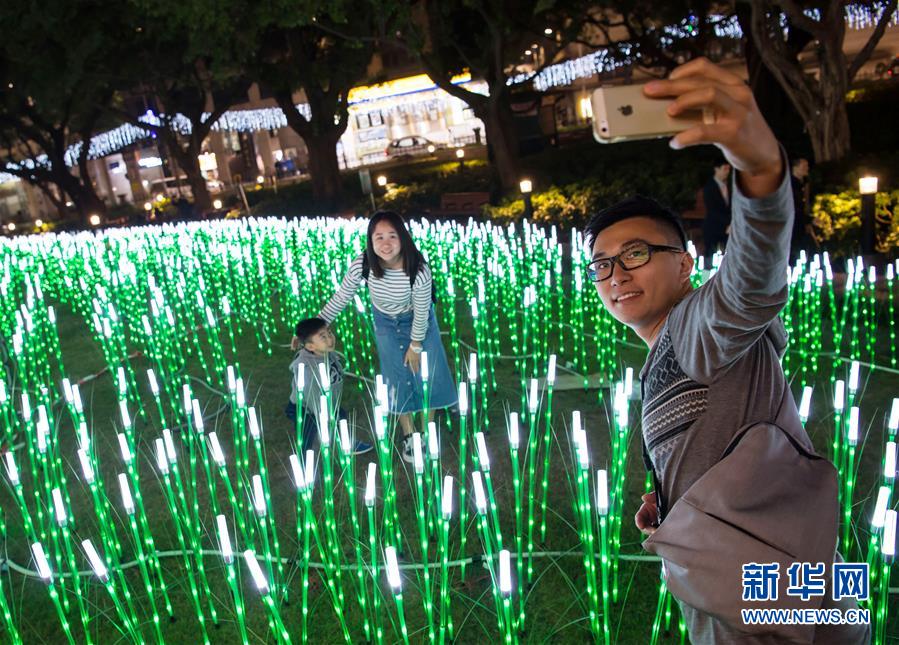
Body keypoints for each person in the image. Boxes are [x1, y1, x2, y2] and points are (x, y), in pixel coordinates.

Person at [584, 58, 868, 644]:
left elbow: (752, 277)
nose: (615, 274)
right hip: (788, 571)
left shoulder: (698, 324)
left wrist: (762, 172)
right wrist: (671, 492)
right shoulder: (670, 344)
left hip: (756, 581)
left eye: (635, 253)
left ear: (685, 264)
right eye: (603, 264)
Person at [318, 211, 457, 463]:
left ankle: (427, 430)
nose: (385, 243)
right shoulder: (364, 264)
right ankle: (409, 435)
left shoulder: (418, 269)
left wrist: (415, 345)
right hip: (385, 321)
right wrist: (316, 325)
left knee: (428, 371)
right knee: (397, 373)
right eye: (378, 237)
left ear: (403, 238)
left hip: (418, 318)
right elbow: (342, 296)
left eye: (392, 236)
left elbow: (423, 310)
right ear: (370, 241)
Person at [286, 317, 372, 455]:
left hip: (329, 402)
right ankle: (305, 465)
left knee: (341, 416)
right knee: (308, 435)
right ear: (310, 346)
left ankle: (347, 444)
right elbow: (311, 396)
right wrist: (323, 417)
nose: (330, 339)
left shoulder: (327, 353)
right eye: (323, 337)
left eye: (329, 333)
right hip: (306, 409)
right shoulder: (307, 369)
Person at [701, 158, 732, 264]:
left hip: (729, 228)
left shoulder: (729, 186)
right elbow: (712, 210)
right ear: (717, 169)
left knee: (727, 257)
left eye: (728, 169)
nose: (727, 172)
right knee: (710, 256)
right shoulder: (709, 187)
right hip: (713, 226)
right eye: (724, 169)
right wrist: (727, 223)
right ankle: (706, 278)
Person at [790, 156, 813, 261]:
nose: (807, 168)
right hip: (794, 224)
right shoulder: (791, 185)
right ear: (796, 168)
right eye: (804, 166)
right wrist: (809, 219)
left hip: (801, 223)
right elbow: (794, 207)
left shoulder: (804, 183)